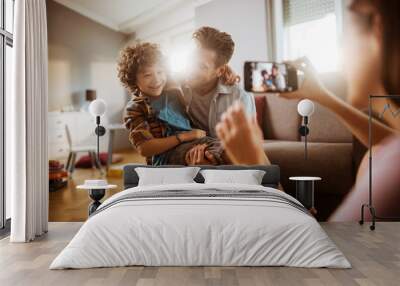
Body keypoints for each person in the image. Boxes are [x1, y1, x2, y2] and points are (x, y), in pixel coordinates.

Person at [216, 0, 400, 221]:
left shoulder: (391, 170)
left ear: (377, 29)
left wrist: (255, 163)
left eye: (344, 39)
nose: (342, 55)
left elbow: (314, 252)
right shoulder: (388, 154)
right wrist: (321, 95)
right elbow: (389, 143)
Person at [118, 43, 230, 165]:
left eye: (160, 72)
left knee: (231, 150)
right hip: (167, 155)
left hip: (199, 140)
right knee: (207, 157)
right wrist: (183, 137)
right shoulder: (135, 108)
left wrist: (226, 72)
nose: (156, 80)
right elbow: (145, 148)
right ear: (133, 79)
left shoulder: (173, 89)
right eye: (147, 75)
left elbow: (198, 73)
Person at [181, 26, 256, 165]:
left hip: (220, 156)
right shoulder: (176, 87)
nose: (190, 70)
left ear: (220, 70)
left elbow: (245, 144)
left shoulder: (239, 97)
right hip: (187, 149)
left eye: (201, 66)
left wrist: (207, 154)